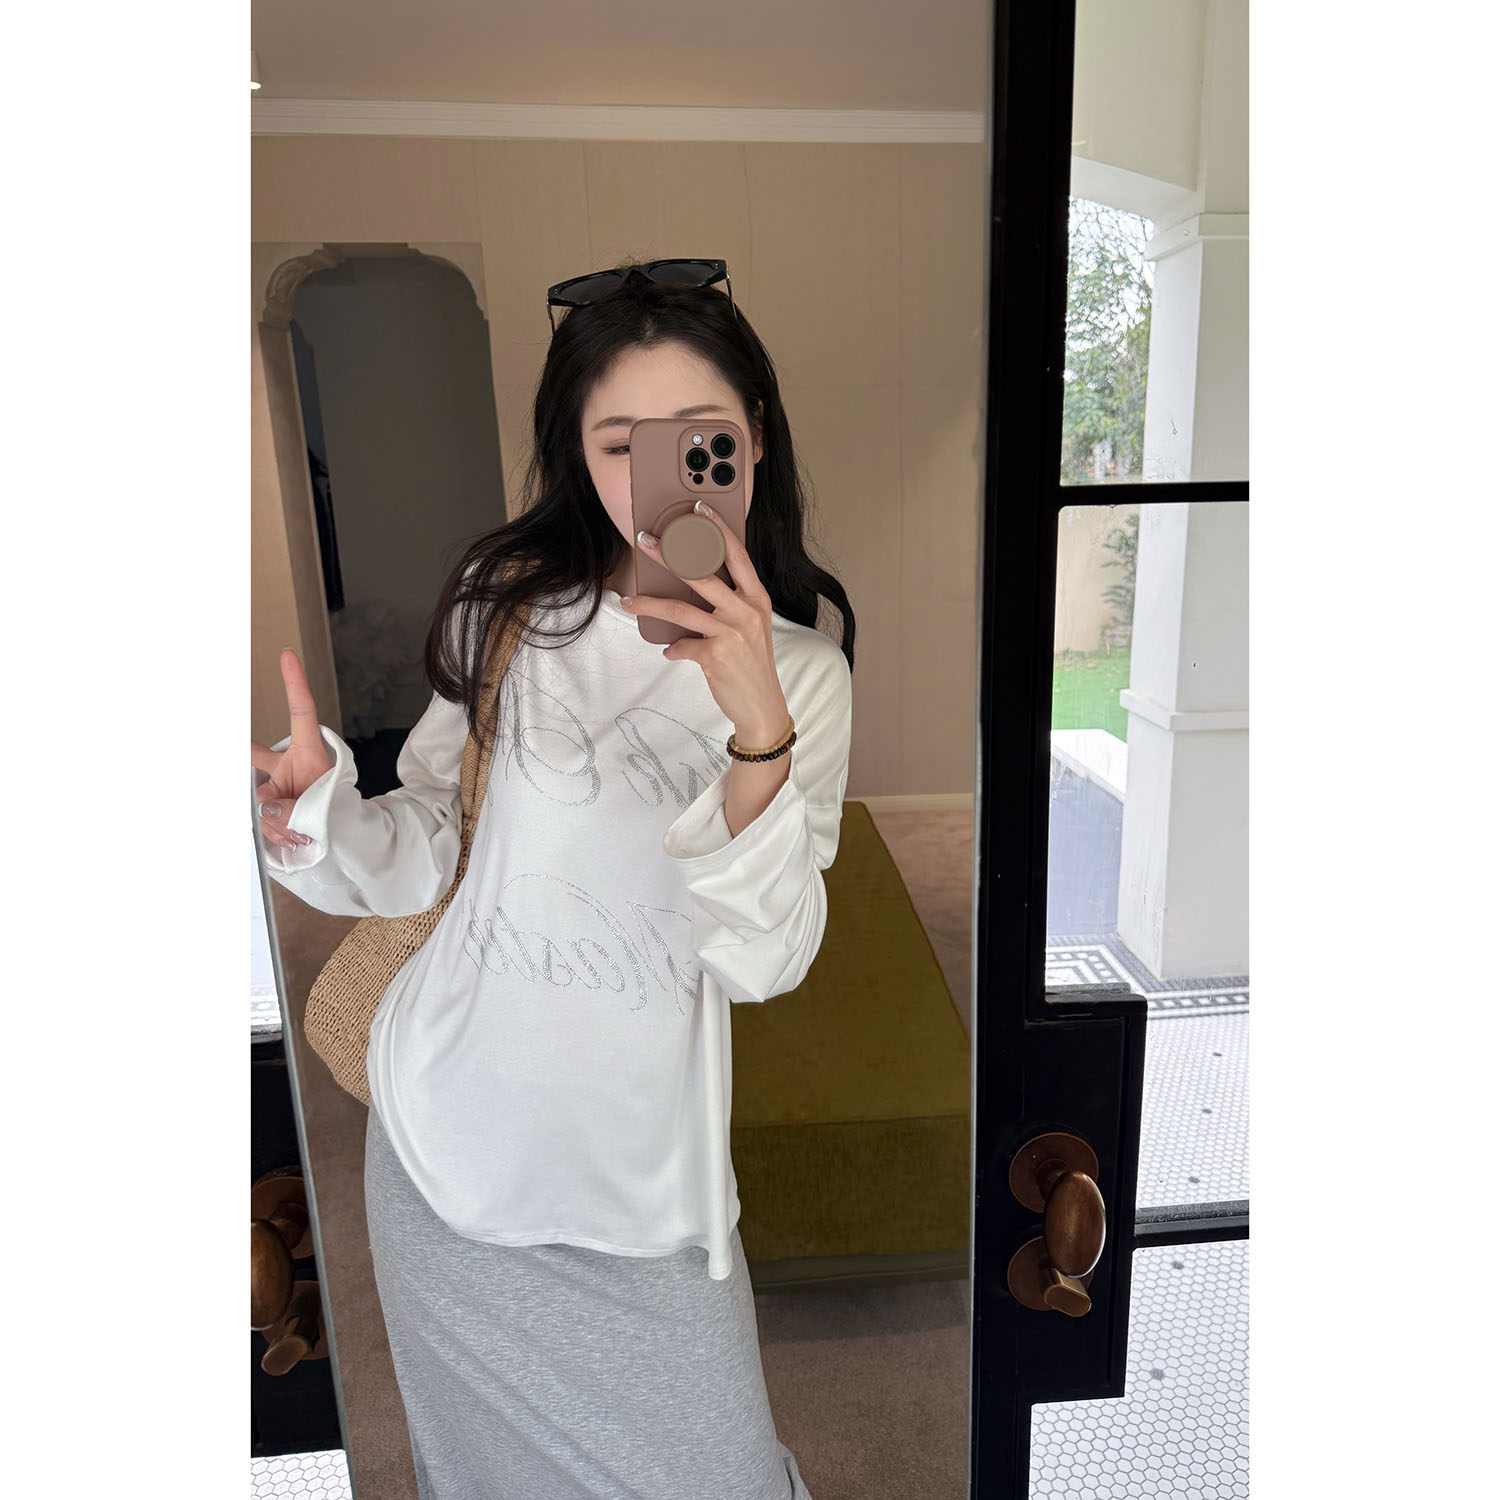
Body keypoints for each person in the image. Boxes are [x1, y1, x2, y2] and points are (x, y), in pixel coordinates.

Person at [250, 262, 855, 1500]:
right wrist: (324, 815)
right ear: (577, 455)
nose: (659, 477)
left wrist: (756, 730)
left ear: (752, 442)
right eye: (619, 443)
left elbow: (764, 961)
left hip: (648, 1196)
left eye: (700, 438)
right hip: (447, 1151)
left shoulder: (804, 678)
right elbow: (435, 838)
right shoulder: (509, 611)